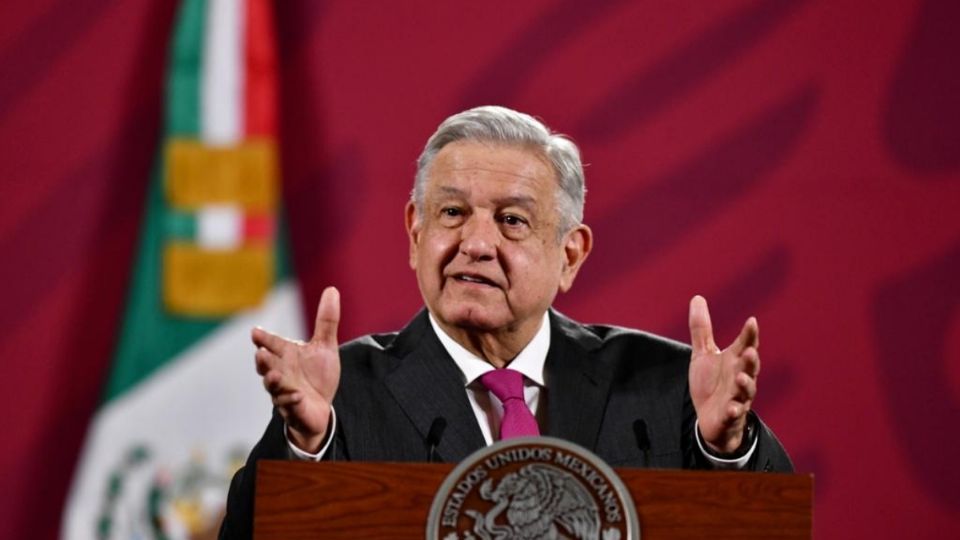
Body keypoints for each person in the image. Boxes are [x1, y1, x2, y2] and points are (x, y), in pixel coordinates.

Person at [219, 106, 792, 538]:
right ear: (416, 233)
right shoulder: (342, 393)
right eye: (452, 213)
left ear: (570, 255)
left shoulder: (663, 385)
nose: (476, 243)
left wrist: (726, 452)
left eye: (512, 220)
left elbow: (774, 525)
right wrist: (305, 447)